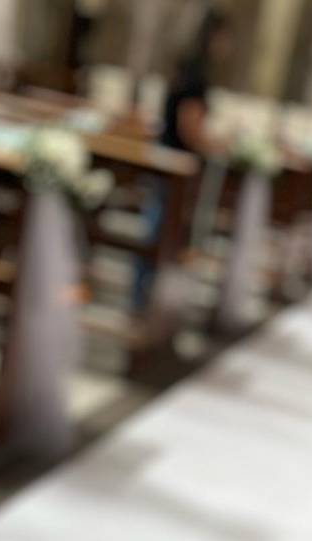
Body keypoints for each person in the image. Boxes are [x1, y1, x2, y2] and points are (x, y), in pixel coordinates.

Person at [132, 7, 232, 312]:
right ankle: (145, 302)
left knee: (157, 233)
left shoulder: (186, 69)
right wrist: (217, 144)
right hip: (175, 168)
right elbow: (189, 127)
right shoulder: (196, 76)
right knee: (160, 235)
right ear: (214, 37)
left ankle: (144, 299)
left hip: (165, 159)